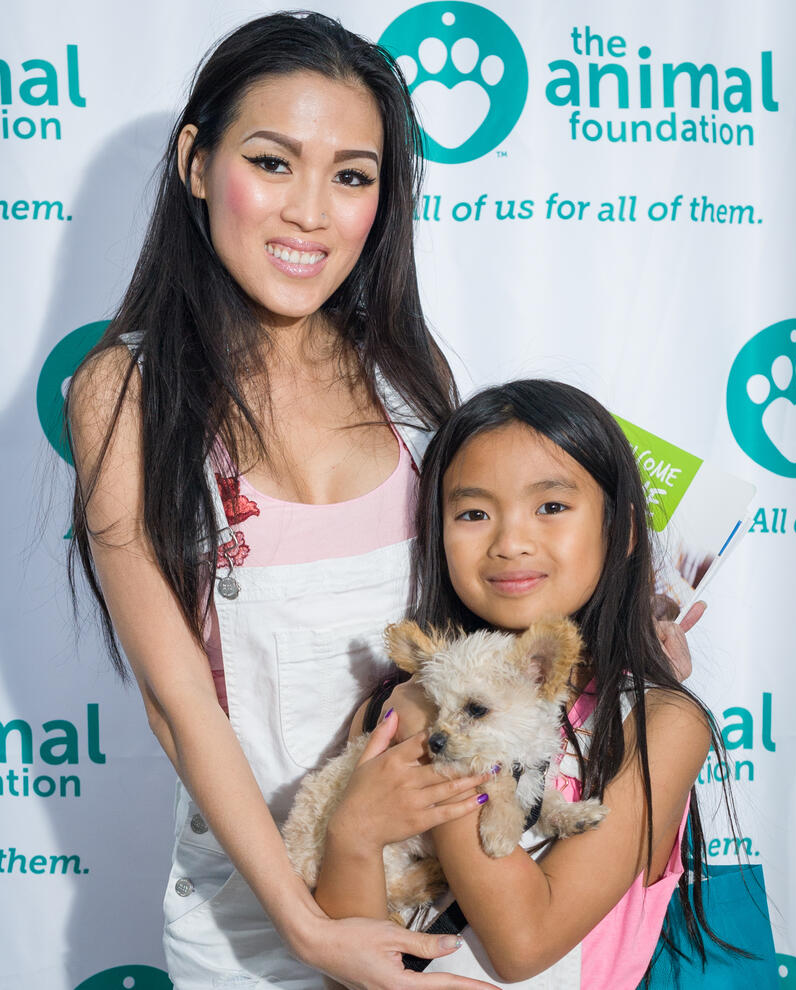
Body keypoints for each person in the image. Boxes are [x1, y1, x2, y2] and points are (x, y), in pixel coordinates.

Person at [66, 11, 502, 990]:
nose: (311, 211)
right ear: (194, 162)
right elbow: (179, 705)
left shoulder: (411, 376)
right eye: (272, 162)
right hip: (254, 919)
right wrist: (308, 932)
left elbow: (480, 619)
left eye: (351, 176)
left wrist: (620, 634)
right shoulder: (123, 392)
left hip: (445, 886)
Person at [313, 380, 729, 988]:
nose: (510, 542)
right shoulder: (391, 702)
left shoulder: (657, 724)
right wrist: (351, 831)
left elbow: (523, 942)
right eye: (474, 513)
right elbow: (350, 961)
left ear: (625, 530)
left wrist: (438, 735)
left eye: (552, 507)